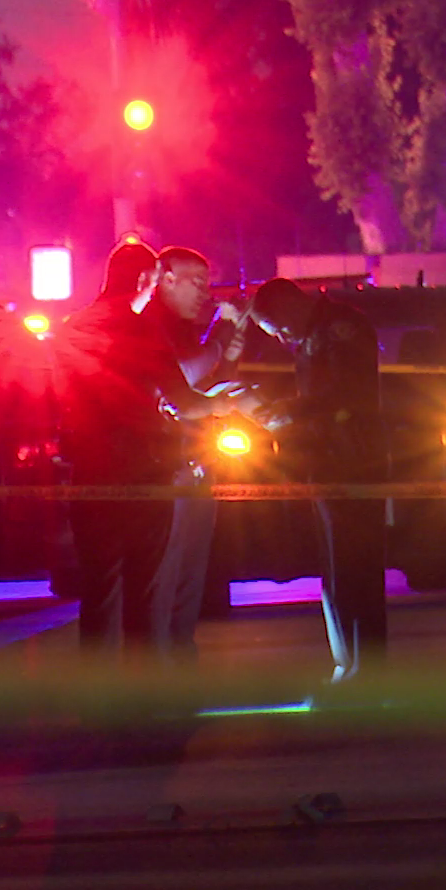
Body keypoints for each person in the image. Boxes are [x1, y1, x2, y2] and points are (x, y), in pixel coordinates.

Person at [54, 241, 235, 660]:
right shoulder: (138, 330)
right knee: (145, 592)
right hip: (142, 475)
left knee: (98, 591)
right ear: (143, 280)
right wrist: (224, 404)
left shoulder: (70, 328)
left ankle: (97, 701)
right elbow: (183, 399)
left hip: (88, 474)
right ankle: (144, 702)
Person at [244, 278, 388, 683]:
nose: (281, 337)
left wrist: (287, 412)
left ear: (289, 306)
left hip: (355, 459)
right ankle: (350, 665)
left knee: (355, 567)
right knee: (338, 568)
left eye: (276, 327)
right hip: (330, 458)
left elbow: (340, 393)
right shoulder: (318, 332)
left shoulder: (339, 328)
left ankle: (366, 669)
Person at [144, 245, 250, 666]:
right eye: (197, 283)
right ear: (165, 278)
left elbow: (206, 381)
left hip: (195, 461)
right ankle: (161, 664)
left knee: (190, 573)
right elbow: (182, 378)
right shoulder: (152, 326)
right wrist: (219, 341)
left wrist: (230, 354)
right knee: (167, 575)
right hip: (167, 467)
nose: (205, 293)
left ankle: (180, 655)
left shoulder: (186, 329)